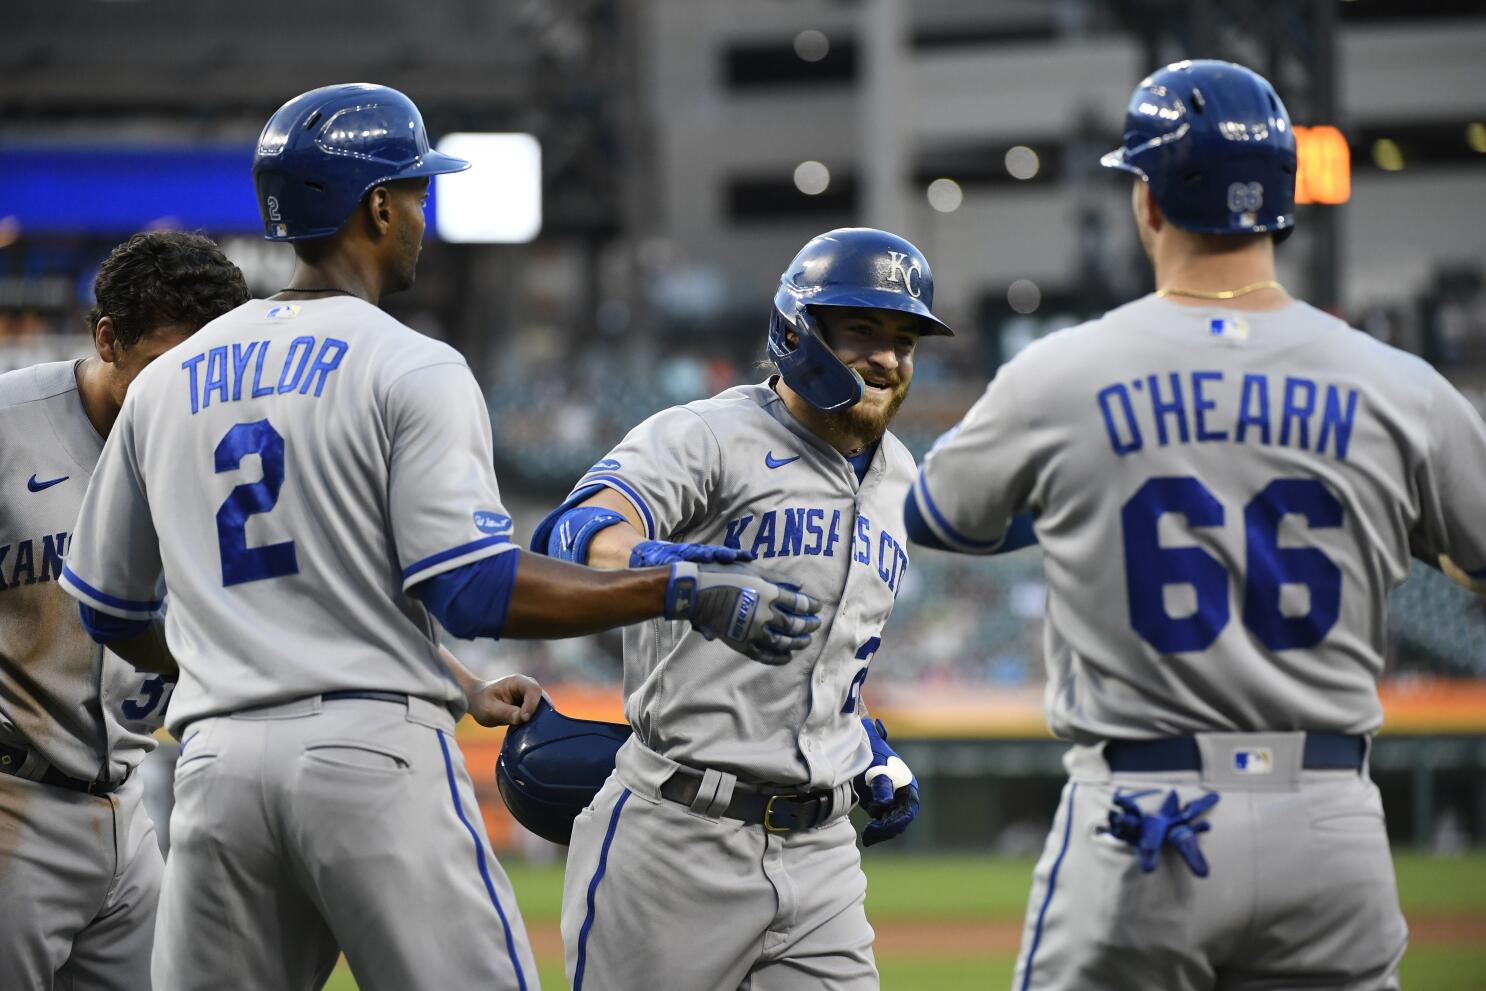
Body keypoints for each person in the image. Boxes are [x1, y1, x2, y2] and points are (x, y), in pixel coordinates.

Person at [58, 83, 820, 991]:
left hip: (216, 767)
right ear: (376, 207)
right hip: (369, 759)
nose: (425, 211)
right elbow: (472, 588)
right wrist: (679, 588)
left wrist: (238, 668)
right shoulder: (410, 361)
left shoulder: (164, 382)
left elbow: (106, 608)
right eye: (416, 191)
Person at [906, 59, 1486, 990]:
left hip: (1146, 814)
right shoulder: (1400, 384)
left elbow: (940, 513)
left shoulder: (1064, 373)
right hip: (1332, 817)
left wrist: (1077, 504)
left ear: (1148, 200)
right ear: (1283, 204)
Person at [528, 227, 950, 990]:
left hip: (821, 854)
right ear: (799, 330)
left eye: (904, 339)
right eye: (862, 329)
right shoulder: (709, 435)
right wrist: (669, 572)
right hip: (678, 840)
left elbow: (831, 656)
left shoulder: (898, 477)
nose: (888, 358)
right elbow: (574, 530)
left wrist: (864, 748)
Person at [0, 231, 249, 990]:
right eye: (166, 369)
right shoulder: (9, 425)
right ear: (107, 338)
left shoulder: (230, 449)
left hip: (131, 808)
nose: (188, 395)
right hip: (14, 803)